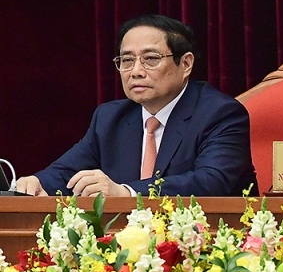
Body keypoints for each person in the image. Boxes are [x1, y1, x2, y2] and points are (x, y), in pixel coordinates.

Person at [15, 15, 257, 197]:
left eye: (150, 59)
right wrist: (38, 182)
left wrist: (126, 193)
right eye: (127, 60)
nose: (136, 72)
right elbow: (66, 172)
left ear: (185, 64)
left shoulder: (220, 113)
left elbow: (210, 182)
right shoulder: (110, 117)